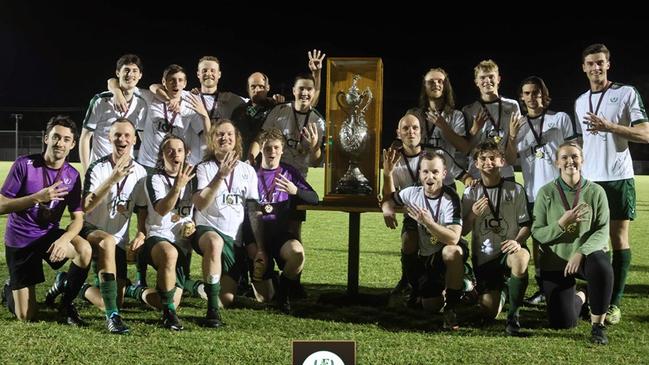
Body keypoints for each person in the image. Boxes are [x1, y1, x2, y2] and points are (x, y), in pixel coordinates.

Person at [47, 118, 147, 334]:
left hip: (118, 240)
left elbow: (141, 209)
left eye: (127, 135)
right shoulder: (98, 167)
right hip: (90, 230)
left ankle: (69, 283)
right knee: (107, 241)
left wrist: (141, 232)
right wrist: (112, 179)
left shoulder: (141, 172)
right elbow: (85, 206)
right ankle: (113, 318)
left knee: (111, 298)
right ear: (109, 138)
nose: (122, 139)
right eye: (117, 135)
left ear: (135, 140)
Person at [575, 43, 649, 325]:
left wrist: (611, 127)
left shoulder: (626, 93)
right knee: (592, 242)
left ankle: (614, 303)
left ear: (608, 64)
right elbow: (586, 142)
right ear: (583, 67)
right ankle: (595, 296)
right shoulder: (580, 100)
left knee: (618, 240)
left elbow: (645, 134)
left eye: (600, 62)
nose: (596, 67)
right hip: (590, 182)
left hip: (618, 178)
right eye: (591, 63)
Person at [0, 116, 91, 325]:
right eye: (56, 137)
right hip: (20, 240)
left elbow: (78, 218)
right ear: (46, 138)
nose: (60, 143)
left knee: (83, 250)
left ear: (73, 144)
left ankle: (66, 305)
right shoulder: (25, 164)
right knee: (27, 316)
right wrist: (35, 198)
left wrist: (63, 239)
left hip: (48, 237)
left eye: (66, 139)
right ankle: (9, 289)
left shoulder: (72, 175)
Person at [505, 76, 578, 306]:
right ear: (522, 97)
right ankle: (543, 288)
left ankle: (566, 284)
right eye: (526, 93)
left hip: (560, 191)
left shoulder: (560, 118)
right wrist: (513, 136)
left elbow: (575, 151)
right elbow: (509, 159)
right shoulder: (519, 125)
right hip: (533, 192)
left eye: (536, 93)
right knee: (539, 241)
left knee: (563, 238)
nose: (531, 97)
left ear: (543, 95)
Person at [532, 141, 613, 345]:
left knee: (602, 267)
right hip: (556, 261)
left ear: (582, 160)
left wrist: (582, 252)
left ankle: (598, 326)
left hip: (586, 258)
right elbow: (537, 233)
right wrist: (561, 223)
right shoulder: (546, 192)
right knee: (563, 322)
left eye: (575, 156)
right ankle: (583, 294)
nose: (570, 161)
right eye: (565, 157)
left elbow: (602, 230)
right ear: (557, 162)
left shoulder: (596, 192)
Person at [382, 150, 465, 330]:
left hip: (444, 254)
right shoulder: (412, 193)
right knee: (431, 306)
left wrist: (428, 223)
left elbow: (454, 238)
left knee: (453, 251)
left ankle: (452, 307)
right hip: (427, 256)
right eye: (425, 171)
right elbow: (389, 198)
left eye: (435, 172)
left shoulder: (451, 197)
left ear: (444, 174)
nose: (430, 176)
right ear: (419, 173)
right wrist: (387, 208)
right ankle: (425, 289)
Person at [192, 119, 263, 327]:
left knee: (227, 299)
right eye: (220, 134)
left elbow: (252, 209)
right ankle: (211, 312)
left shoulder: (247, 171)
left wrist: (257, 245)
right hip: (208, 229)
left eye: (229, 134)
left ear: (236, 140)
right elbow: (201, 203)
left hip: (234, 239)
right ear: (212, 140)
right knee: (214, 243)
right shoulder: (204, 168)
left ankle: (194, 286)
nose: (225, 138)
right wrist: (220, 176)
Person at [462, 141, 531, 336]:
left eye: (493, 158)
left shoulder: (515, 189)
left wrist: (517, 241)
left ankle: (513, 317)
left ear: (502, 161)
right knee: (488, 311)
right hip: (485, 258)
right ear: (476, 163)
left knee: (521, 257)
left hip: (508, 251)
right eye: (483, 158)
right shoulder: (470, 192)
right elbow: (463, 231)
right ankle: (500, 289)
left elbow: (526, 225)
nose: (488, 162)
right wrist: (472, 215)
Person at [130, 135, 197, 331]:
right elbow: (161, 209)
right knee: (169, 254)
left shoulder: (194, 180)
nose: (175, 154)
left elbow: (199, 209)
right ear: (162, 155)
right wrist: (177, 187)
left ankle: (136, 291)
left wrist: (193, 225)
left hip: (182, 242)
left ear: (186, 154)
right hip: (158, 239)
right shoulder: (154, 179)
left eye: (179, 150)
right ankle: (169, 316)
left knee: (169, 300)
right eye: (170, 150)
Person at [249, 128, 319, 313]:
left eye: (275, 148)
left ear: (282, 150)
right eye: (267, 148)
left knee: (297, 254)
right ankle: (262, 279)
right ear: (261, 151)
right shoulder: (250, 174)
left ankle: (283, 293)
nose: (271, 152)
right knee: (264, 298)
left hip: (280, 235)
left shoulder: (289, 173)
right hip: (256, 237)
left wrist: (295, 191)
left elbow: (314, 198)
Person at [381, 113, 425, 302]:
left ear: (421, 132)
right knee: (408, 241)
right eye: (405, 128)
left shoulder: (433, 156)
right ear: (398, 133)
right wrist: (388, 174)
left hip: (438, 215)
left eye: (415, 128)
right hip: (414, 215)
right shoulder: (395, 161)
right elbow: (389, 196)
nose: (411, 132)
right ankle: (409, 282)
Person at [80, 54, 149, 175]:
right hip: (100, 170)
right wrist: (87, 172)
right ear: (118, 73)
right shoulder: (101, 100)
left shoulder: (141, 103)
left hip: (126, 169)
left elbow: (143, 138)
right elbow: (85, 138)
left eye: (134, 71)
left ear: (140, 75)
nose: (130, 74)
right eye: (126, 70)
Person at [138, 64, 211, 169]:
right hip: (148, 164)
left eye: (180, 80)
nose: (176, 84)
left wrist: (205, 116)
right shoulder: (151, 96)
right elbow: (152, 87)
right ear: (164, 82)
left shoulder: (191, 102)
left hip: (174, 165)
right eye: (172, 80)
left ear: (185, 83)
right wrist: (117, 92)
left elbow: (204, 134)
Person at [462, 59, 521, 180]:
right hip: (477, 172)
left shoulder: (512, 106)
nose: (487, 81)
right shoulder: (469, 110)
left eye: (491, 77)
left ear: (498, 79)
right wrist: (474, 130)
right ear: (476, 82)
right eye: (483, 78)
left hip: (504, 171)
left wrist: (512, 136)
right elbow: (465, 149)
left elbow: (514, 143)